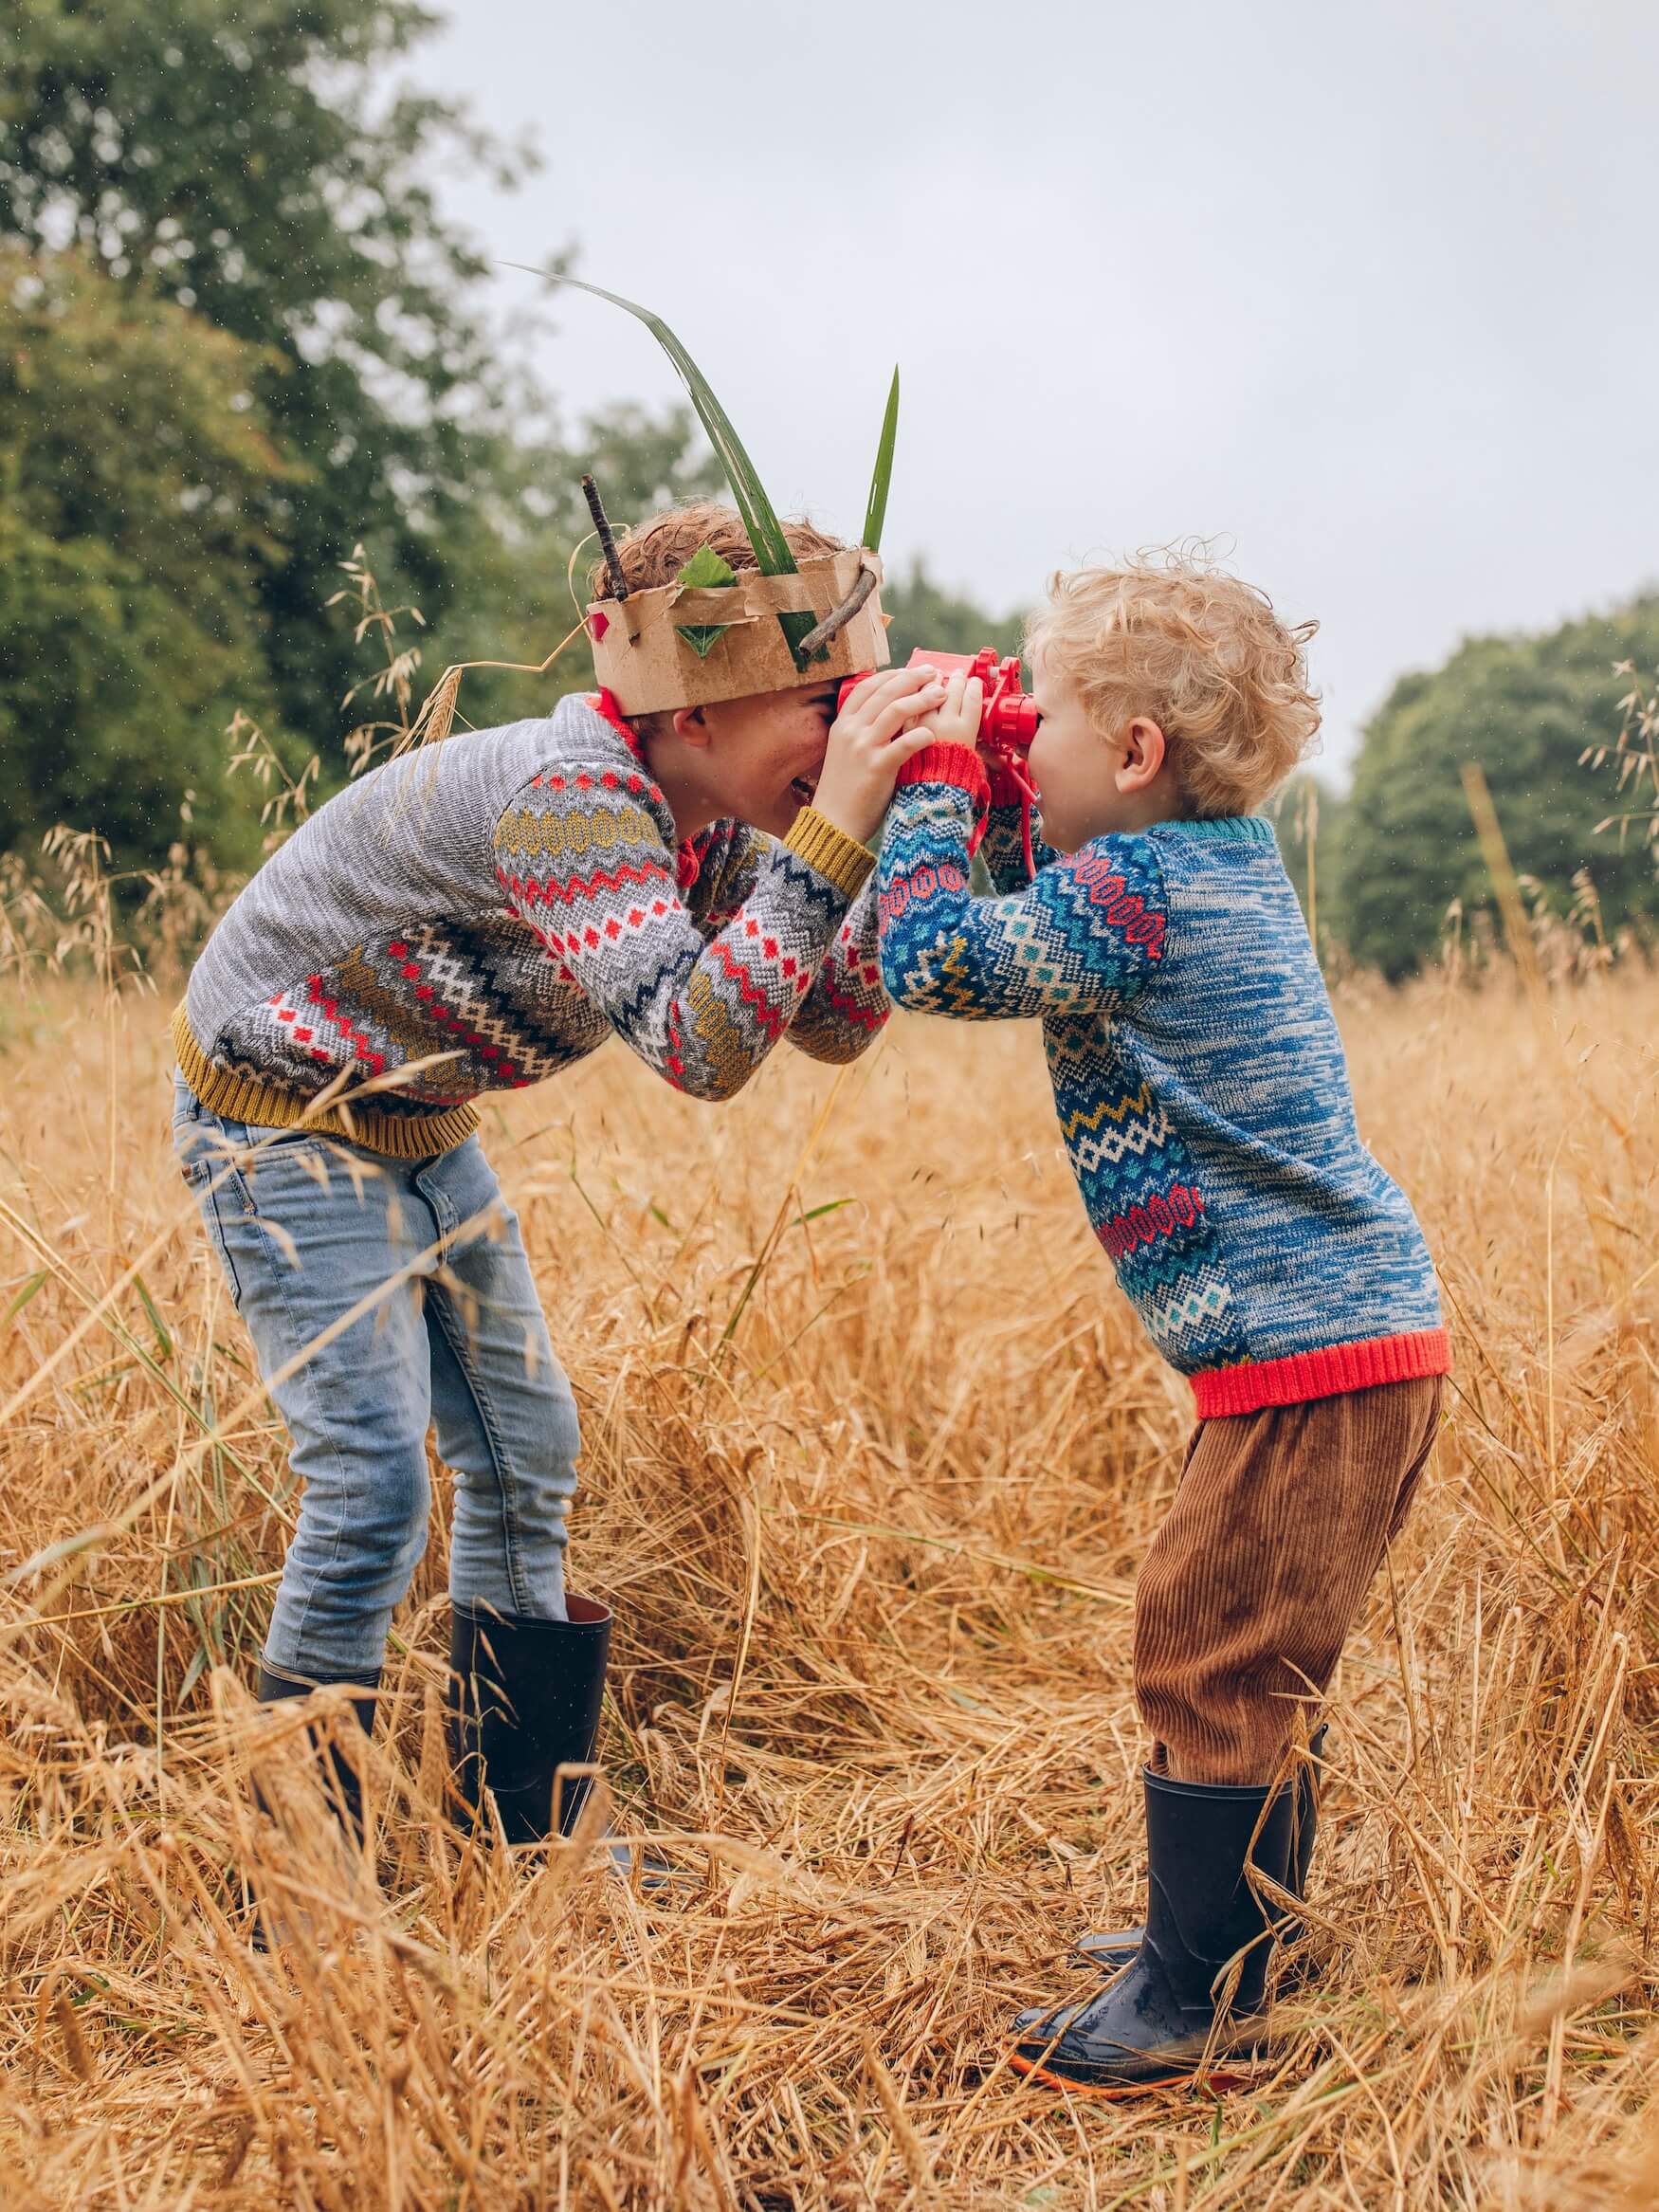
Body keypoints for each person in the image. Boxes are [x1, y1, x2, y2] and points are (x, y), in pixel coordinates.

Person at [172, 500, 945, 1849]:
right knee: (370, 1482)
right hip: (279, 1116)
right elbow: (701, 1050)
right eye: (822, 703)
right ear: (692, 711)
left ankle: (515, 1833)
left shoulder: (698, 832)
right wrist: (830, 845)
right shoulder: (573, 803)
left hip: (412, 1126)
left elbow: (829, 1020)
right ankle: (292, 1887)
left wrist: (891, 838)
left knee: (528, 1457)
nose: (847, 735)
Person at [875, 551, 1449, 2094]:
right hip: (1342, 1340)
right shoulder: (1196, 866)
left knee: (1204, 1643)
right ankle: (1232, 1940)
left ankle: (1203, 1997)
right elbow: (1028, 893)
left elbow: (932, 950)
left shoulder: (1132, 895)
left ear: (1131, 755)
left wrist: (931, 769)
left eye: (1041, 718)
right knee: (1264, 1657)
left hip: (1304, 1353)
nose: (1022, 743)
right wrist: (998, 762)